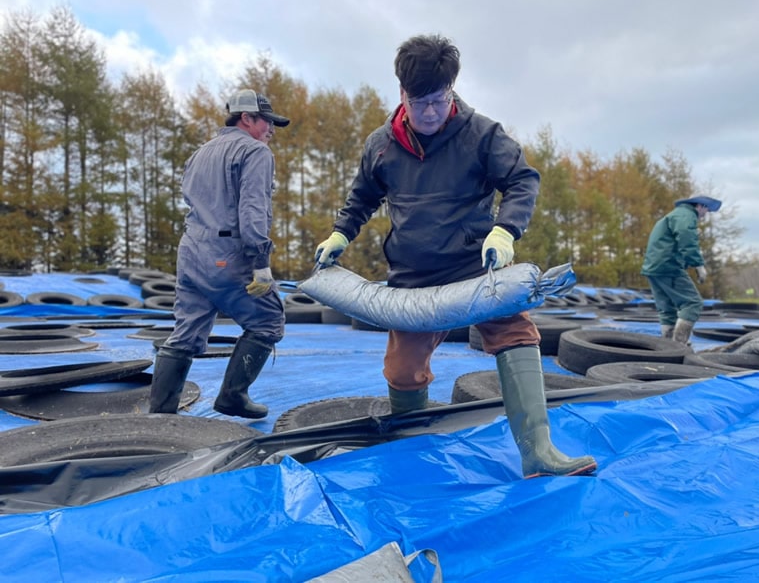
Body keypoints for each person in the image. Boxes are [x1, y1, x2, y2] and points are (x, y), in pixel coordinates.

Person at [314, 34, 596, 477]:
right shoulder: (381, 145)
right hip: (414, 276)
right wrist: (339, 234)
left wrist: (504, 231)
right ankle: (411, 448)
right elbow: (362, 197)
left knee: (516, 334)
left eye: (439, 100)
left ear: (452, 91)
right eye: (420, 102)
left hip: (477, 268)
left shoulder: (482, 134)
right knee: (402, 370)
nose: (430, 112)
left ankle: (538, 452)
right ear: (402, 93)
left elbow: (522, 179)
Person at [148, 89, 289, 419]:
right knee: (269, 320)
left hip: (191, 252)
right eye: (266, 121)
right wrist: (261, 263)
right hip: (228, 254)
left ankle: (160, 414)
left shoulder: (200, 153)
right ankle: (232, 396)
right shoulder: (255, 151)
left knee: (186, 331)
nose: (271, 129)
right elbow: (252, 210)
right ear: (246, 118)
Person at [641, 194, 722, 344]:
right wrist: (698, 265)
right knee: (693, 303)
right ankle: (679, 343)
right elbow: (686, 238)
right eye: (707, 210)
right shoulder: (686, 215)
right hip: (668, 266)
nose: (706, 214)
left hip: (653, 268)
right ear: (700, 206)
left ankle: (667, 346)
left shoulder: (674, 215)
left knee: (667, 309)